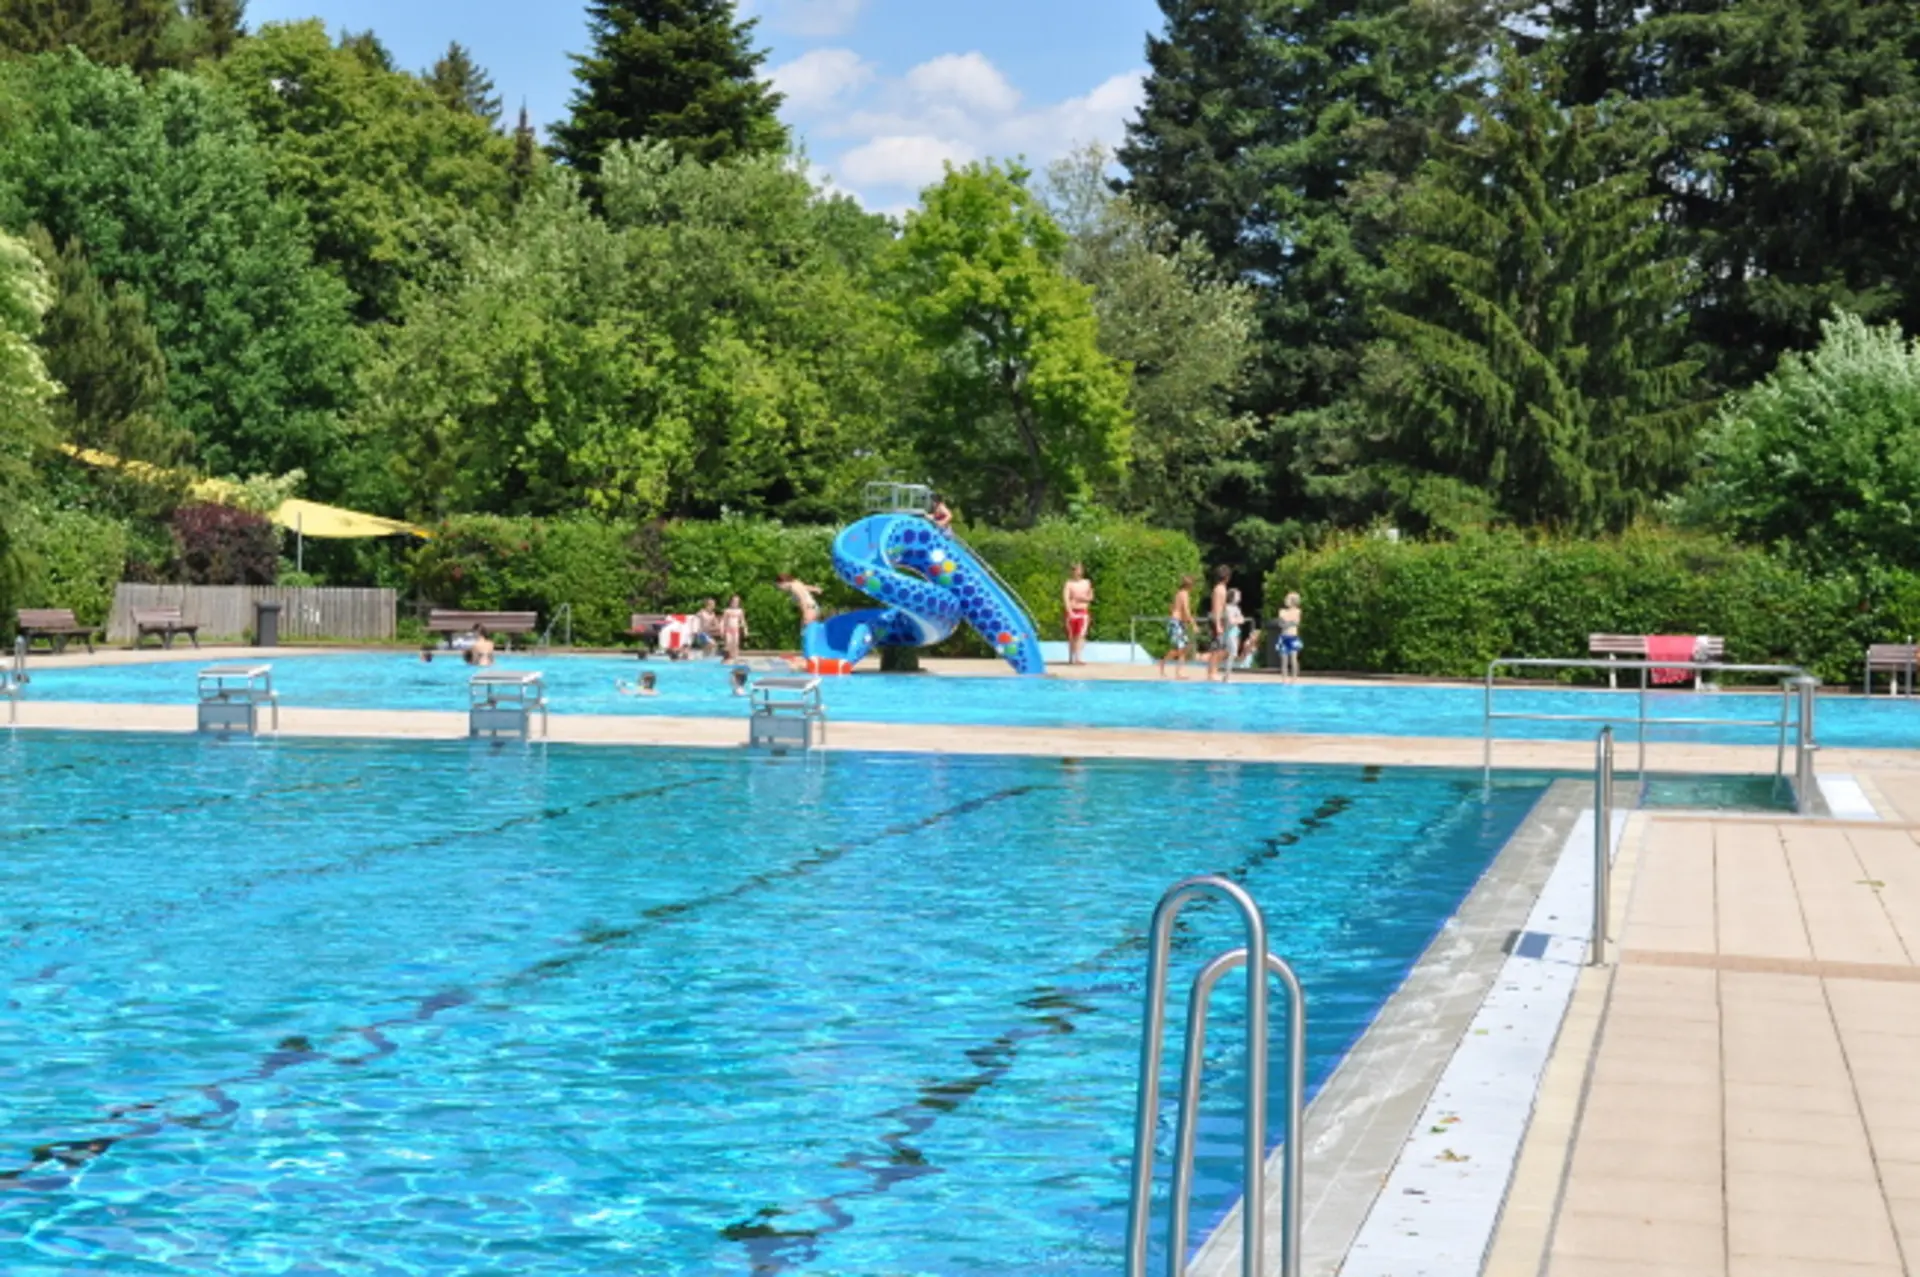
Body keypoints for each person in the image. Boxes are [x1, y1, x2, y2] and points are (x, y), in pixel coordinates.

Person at [1159, 576, 1196, 680]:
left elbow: (1173, 608)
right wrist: (1194, 624)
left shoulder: (1179, 593)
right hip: (1176, 623)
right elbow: (1186, 611)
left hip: (1178, 623)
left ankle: (1179, 671)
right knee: (1181, 648)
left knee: (1185, 647)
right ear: (1190, 585)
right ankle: (1164, 662)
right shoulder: (1184, 594)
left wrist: (1183, 621)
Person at [1062, 562, 1094, 666]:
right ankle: (1071, 657)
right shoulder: (1069, 583)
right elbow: (1066, 598)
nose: (1078, 572)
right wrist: (1069, 611)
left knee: (1081, 635)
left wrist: (1081, 598)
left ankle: (1078, 657)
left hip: (1083, 612)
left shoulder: (1087, 583)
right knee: (1072, 636)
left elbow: (1090, 597)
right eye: (1075, 570)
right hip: (1072, 611)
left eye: (1079, 570)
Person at [1205, 566, 1232, 682]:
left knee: (1222, 649)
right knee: (1216, 649)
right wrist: (1217, 625)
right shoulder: (1219, 590)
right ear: (1226, 577)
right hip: (1217, 620)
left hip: (1220, 620)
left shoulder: (1222, 588)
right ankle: (1212, 673)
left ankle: (1213, 671)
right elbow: (1216, 608)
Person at [1218, 588, 1248, 684]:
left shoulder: (1236, 608)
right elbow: (1231, 621)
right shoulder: (1227, 608)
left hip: (1235, 632)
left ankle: (1226, 676)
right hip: (1229, 633)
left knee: (1232, 653)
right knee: (1233, 653)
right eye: (1238, 596)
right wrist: (1237, 620)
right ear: (1232, 597)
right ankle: (1226, 676)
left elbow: (1242, 619)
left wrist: (1237, 620)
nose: (1239, 598)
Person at [1277, 591, 1304, 683]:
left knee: (1293, 659)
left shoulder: (1297, 611)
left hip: (1293, 637)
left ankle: (1294, 678)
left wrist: (1287, 622)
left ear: (1293, 601)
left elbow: (1296, 622)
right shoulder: (1282, 611)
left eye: (1287, 599)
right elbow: (1281, 624)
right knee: (1284, 660)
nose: (1285, 600)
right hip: (1284, 637)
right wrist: (1289, 622)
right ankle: (1284, 679)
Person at [722, 595, 749, 662]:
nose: (735, 603)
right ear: (731, 602)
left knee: (735, 643)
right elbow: (724, 621)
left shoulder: (740, 611)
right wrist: (722, 630)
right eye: (734, 601)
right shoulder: (727, 611)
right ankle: (729, 657)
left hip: (735, 630)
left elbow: (743, 621)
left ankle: (735, 657)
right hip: (728, 630)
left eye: (737, 601)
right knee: (729, 643)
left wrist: (745, 630)